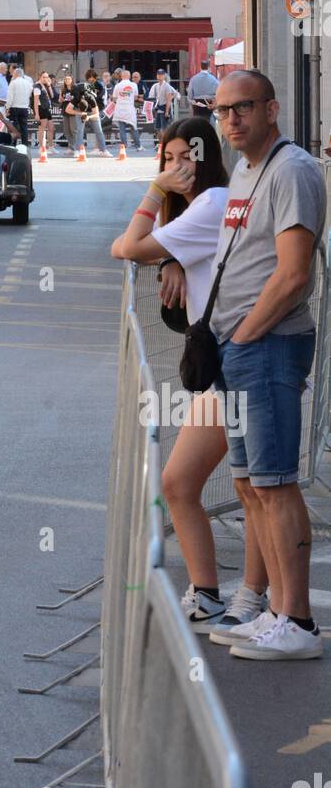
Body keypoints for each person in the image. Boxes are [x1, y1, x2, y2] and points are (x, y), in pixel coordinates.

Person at [110, 119, 270, 631]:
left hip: (242, 359)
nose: (175, 168)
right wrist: (172, 259)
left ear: (206, 157)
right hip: (224, 365)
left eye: (184, 158)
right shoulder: (207, 206)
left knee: (255, 489)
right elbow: (162, 249)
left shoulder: (212, 202)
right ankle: (209, 594)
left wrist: (156, 193)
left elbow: (127, 246)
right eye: (166, 159)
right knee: (181, 483)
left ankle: (252, 598)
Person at [207, 69, 326, 660]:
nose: (230, 119)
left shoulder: (293, 170)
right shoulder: (246, 168)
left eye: (243, 107)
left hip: (268, 345)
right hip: (241, 346)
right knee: (252, 485)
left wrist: (247, 334)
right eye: (222, 109)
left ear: (271, 109)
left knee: (276, 485)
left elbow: (293, 274)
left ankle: (298, 623)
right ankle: (277, 609)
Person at [73, 76, 111, 156]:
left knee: (99, 131)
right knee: (80, 130)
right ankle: (77, 150)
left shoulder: (91, 98)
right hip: (80, 112)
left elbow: (96, 113)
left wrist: (88, 117)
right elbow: (68, 109)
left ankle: (104, 150)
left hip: (92, 113)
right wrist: (80, 113)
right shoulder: (76, 99)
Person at [111, 71, 143, 152]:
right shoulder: (134, 85)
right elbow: (136, 97)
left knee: (122, 129)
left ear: (121, 76)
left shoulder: (117, 86)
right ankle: (138, 146)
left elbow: (114, 98)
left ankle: (124, 146)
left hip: (120, 109)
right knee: (133, 128)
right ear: (129, 76)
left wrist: (121, 98)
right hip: (130, 109)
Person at [6, 65, 34, 146]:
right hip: (24, 107)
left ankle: (13, 144)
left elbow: (10, 97)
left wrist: (7, 107)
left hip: (14, 107)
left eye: (13, 74)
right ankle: (24, 144)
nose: (12, 75)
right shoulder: (28, 83)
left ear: (16, 74)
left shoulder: (13, 83)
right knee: (24, 127)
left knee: (14, 127)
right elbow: (29, 94)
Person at [149, 69, 177, 137]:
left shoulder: (167, 86)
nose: (160, 76)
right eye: (158, 75)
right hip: (158, 108)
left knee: (164, 128)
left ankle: (165, 143)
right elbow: (152, 97)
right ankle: (160, 144)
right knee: (158, 128)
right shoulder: (156, 85)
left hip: (164, 108)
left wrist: (167, 111)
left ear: (164, 76)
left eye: (161, 75)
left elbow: (168, 99)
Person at [33, 72, 56, 153]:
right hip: (41, 109)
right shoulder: (37, 86)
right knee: (42, 128)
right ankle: (41, 148)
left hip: (47, 109)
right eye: (44, 77)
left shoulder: (45, 85)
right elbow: (35, 102)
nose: (45, 78)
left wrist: (49, 85)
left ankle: (51, 147)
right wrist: (37, 114)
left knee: (51, 128)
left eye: (46, 77)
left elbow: (52, 96)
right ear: (40, 77)